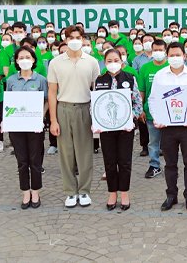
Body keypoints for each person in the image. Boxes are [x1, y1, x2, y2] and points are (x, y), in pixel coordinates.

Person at [47, 26, 101, 208]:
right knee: (66, 153)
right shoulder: (55, 63)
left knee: (85, 152)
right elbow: (52, 92)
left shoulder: (92, 62)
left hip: (85, 108)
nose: (75, 40)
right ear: (65, 39)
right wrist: (53, 120)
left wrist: (98, 117)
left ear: (83, 38)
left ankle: (85, 191)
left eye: (78, 37)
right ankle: (70, 192)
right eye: (71, 37)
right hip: (63, 108)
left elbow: (97, 90)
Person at [153, 42, 187, 212]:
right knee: (170, 163)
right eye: (172, 55)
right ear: (167, 57)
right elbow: (153, 100)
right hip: (167, 127)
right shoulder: (160, 75)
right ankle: (171, 195)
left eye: (178, 55)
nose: (175, 58)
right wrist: (157, 118)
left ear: (184, 56)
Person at [95, 49, 142, 211]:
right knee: (109, 161)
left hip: (125, 129)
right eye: (109, 60)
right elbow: (94, 105)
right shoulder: (99, 80)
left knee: (124, 161)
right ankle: (112, 193)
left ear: (122, 61)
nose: (113, 63)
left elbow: (137, 103)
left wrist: (132, 119)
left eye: (116, 59)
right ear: (105, 62)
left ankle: (124, 194)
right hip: (106, 129)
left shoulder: (129, 78)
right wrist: (96, 122)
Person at [4, 47, 48, 209]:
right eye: (21, 57)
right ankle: (25, 191)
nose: (24, 60)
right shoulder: (11, 81)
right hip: (16, 127)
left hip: (35, 126)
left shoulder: (41, 79)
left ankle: (35, 191)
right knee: (22, 161)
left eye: (27, 57)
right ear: (16, 61)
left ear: (33, 60)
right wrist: (6, 121)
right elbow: (8, 103)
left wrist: (40, 117)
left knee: (35, 160)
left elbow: (46, 102)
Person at [136, 39, 169, 178]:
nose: (158, 52)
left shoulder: (170, 67)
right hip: (151, 112)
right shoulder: (145, 68)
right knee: (153, 142)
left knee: (169, 142)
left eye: (161, 50)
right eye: (155, 50)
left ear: (166, 51)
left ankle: (170, 166)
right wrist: (141, 109)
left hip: (170, 112)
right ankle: (154, 166)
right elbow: (141, 91)